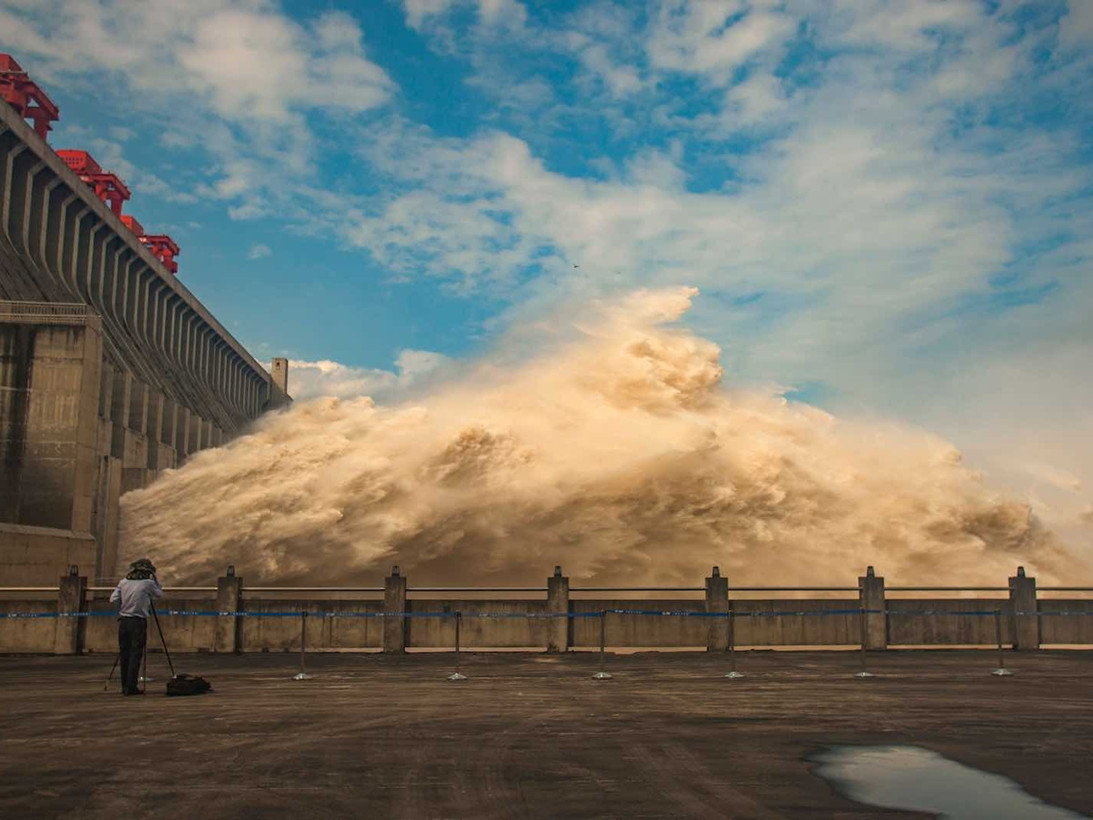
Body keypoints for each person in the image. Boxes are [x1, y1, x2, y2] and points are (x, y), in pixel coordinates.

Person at [109, 558, 163, 695]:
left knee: (124, 653)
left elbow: (113, 598)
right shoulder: (148, 583)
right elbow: (159, 594)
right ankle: (131, 686)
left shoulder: (123, 582)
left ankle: (124, 685)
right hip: (138, 621)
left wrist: (121, 607)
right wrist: (156, 580)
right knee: (135, 654)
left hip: (124, 621)